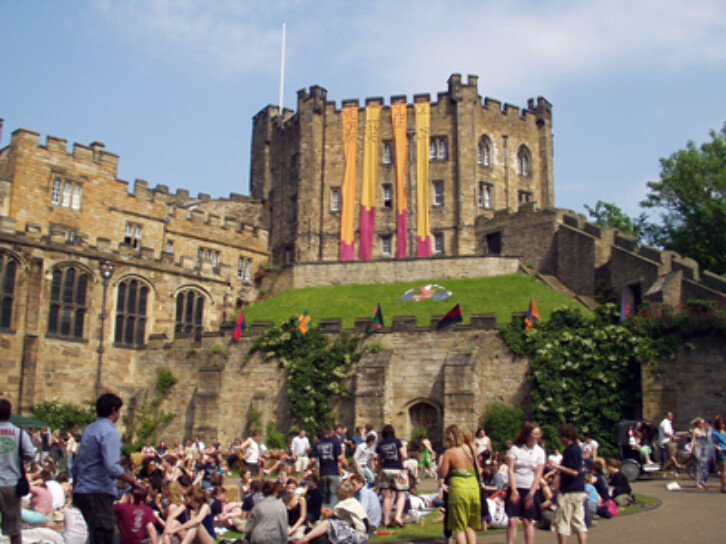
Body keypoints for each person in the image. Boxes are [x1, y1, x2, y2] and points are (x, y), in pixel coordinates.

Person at [71, 393, 147, 544]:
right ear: (114, 410)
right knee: (106, 536)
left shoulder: (89, 429)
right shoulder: (109, 431)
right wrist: (135, 483)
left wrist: (76, 485)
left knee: (96, 535)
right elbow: (112, 466)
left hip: (83, 491)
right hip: (98, 491)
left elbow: (77, 464)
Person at [0, 399, 36, 544]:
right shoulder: (19, 433)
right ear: (10, 413)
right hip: (12, 484)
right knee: (14, 530)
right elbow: (30, 454)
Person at [437, 424, 481, 544]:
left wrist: (439, 467)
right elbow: (479, 469)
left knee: (459, 526)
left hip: (459, 488)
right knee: (471, 525)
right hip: (473, 486)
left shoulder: (449, 453)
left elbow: (443, 473)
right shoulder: (471, 449)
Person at [292, 480, 369, 544]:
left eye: (338, 492)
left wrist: (324, 512)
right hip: (362, 534)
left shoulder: (344, 503)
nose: (336, 494)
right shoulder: (353, 501)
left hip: (358, 535)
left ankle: (305, 539)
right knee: (334, 523)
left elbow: (328, 515)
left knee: (328, 523)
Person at [505, 423, 545, 544]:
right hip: (516, 486)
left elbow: (539, 473)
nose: (538, 436)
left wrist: (531, 494)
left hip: (531, 488)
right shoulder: (515, 448)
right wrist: (514, 490)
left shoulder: (540, 451)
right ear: (528, 435)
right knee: (512, 520)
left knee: (528, 521)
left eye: (539, 434)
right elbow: (511, 469)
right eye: (535, 434)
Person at [553, 424, 588, 544]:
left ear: (567, 437)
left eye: (561, 437)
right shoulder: (577, 449)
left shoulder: (571, 450)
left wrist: (558, 467)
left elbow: (574, 472)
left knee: (563, 522)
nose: (560, 439)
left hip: (570, 491)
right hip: (579, 489)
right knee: (579, 522)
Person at [375, 424, 408, 527]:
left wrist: (378, 473)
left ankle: (386, 520)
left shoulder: (380, 444)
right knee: (401, 494)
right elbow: (404, 455)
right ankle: (398, 517)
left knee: (387, 496)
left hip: (385, 470)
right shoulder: (397, 442)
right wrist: (405, 447)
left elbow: (378, 459)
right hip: (397, 469)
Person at [245, 479, 288, 544]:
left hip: (259, 539)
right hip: (276, 539)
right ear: (275, 492)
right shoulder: (282, 506)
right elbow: (284, 526)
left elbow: (248, 528)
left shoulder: (258, 507)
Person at [310, 427, 343, 507]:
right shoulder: (335, 442)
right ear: (330, 434)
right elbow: (339, 457)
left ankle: (323, 513)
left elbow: (313, 459)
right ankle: (331, 513)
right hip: (333, 472)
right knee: (334, 494)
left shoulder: (317, 444)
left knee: (324, 496)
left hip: (323, 473)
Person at [658, 411, 683, 476]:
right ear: (666, 416)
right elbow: (666, 433)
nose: (671, 417)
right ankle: (676, 465)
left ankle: (671, 470)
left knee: (670, 456)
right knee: (673, 454)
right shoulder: (665, 423)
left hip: (667, 441)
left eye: (672, 416)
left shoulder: (668, 422)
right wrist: (674, 437)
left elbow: (671, 432)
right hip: (666, 441)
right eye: (669, 416)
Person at [690, 417, 711, 490]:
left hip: (704, 447)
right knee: (699, 465)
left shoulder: (704, 431)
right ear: (698, 424)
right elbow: (693, 440)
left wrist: (708, 431)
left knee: (705, 465)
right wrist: (691, 450)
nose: (703, 424)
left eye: (703, 423)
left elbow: (708, 439)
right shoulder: (695, 431)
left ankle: (703, 481)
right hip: (697, 447)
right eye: (701, 423)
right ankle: (697, 482)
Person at [711, 417, 726, 493]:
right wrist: (718, 447)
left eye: (723, 423)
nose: (722, 425)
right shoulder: (715, 433)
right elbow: (712, 443)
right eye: (720, 423)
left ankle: (723, 486)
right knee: (724, 470)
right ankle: (724, 487)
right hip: (721, 451)